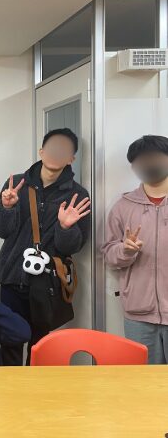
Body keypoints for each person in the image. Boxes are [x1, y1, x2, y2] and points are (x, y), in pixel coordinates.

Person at [0, 128, 91, 365]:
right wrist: (7, 208)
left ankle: (34, 387)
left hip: (47, 283)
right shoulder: (16, 184)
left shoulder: (77, 195)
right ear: (41, 151)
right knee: (10, 341)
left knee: (40, 346)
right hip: (12, 276)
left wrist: (65, 227)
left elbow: (73, 247)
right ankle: (11, 386)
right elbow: (0, 230)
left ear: (71, 158)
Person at [103, 135, 168, 364]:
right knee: (142, 380)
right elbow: (108, 253)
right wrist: (126, 251)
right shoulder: (123, 206)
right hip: (138, 315)